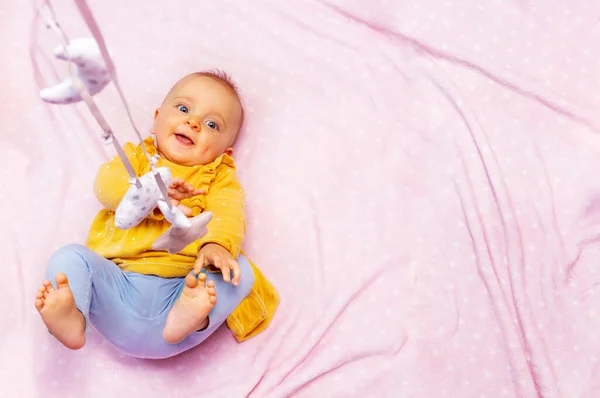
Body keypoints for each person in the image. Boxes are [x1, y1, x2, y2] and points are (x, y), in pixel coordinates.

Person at [34, 71, 279, 359]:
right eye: (184, 109)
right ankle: (71, 317)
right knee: (69, 257)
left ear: (226, 151)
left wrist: (217, 245)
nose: (193, 123)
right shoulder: (137, 158)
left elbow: (230, 211)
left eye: (212, 124)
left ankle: (191, 316)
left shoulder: (217, 177)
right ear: (156, 118)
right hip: (118, 288)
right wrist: (147, 198)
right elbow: (105, 184)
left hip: (180, 291)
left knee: (239, 270)